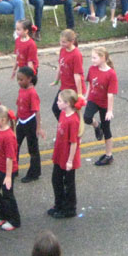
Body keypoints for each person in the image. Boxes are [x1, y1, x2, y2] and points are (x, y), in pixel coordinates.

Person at [50, 89, 83, 219]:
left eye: (59, 101)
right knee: (56, 180)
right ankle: (59, 204)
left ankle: (69, 208)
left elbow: (74, 143)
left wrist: (69, 161)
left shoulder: (73, 120)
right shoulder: (63, 114)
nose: (57, 103)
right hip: (60, 153)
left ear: (68, 103)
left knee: (68, 184)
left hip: (68, 155)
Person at [86, 46, 118, 166]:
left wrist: (110, 110)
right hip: (93, 99)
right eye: (92, 57)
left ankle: (109, 155)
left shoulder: (111, 74)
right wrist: (85, 96)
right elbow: (90, 84)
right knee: (87, 118)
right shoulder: (92, 69)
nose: (92, 60)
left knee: (106, 129)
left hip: (104, 103)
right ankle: (96, 125)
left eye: (94, 58)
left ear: (103, 58)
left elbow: (110, 94)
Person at [15, 66, 44, 183]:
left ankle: (34, 173)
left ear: (29, 79)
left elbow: (37, 111)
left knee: (32, 149)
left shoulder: (32, 93)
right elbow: (19, 106)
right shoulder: (21, 90)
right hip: (21, 122)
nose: (19, 82)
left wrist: (38, 128)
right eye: (18, 79)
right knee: (15, 145)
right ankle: (14, 169)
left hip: (30, 122)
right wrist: (15, 120)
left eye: (21, 79)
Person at [52, 29, 85, 120]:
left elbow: (77, 75)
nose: (61, 44)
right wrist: (56, 80)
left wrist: (79, 94)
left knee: (72, 112)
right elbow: (60, 66)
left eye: (64, 42)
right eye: (60, 41)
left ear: (72, 41)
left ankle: (73, 126)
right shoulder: (62, 50)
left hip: (73, 88)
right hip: (64, 86)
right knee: (56, 108)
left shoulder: (76, 55)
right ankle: (64, 125)